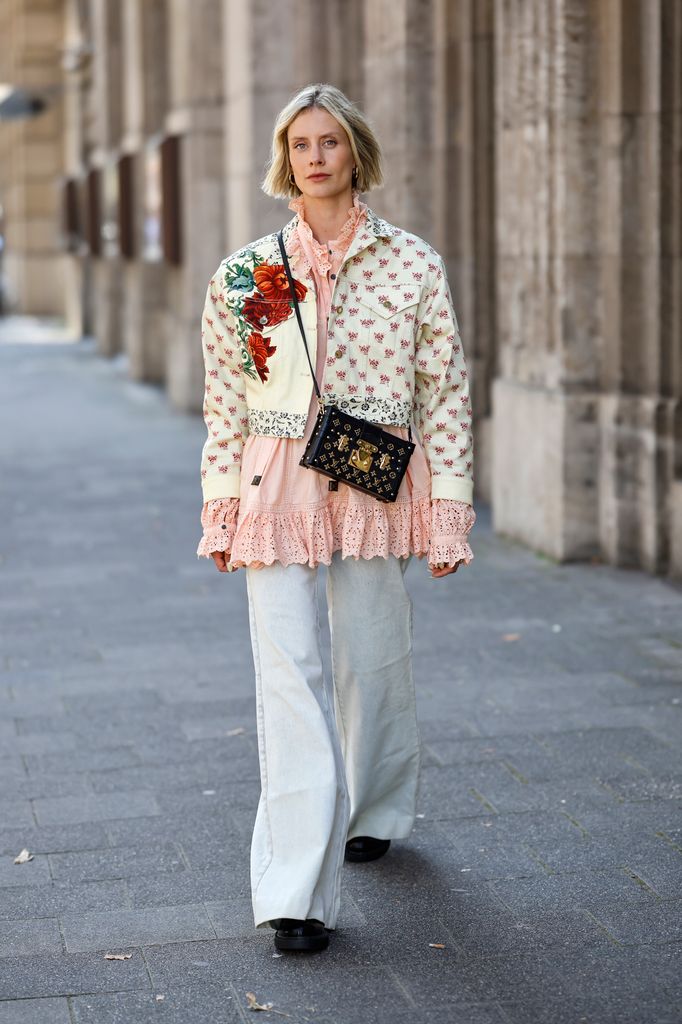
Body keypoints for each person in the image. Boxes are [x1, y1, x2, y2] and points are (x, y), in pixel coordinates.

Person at [197, 83, 475, 954]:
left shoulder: (413, 263)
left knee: (373, 655)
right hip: (275, 483)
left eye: (330, 141)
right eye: (301, 142)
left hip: (373, 476)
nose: (316, 156)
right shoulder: (248, 274)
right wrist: (221, 507)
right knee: (289, 678)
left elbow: (446, 393)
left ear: (356, 150)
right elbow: (225, 403)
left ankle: (378, 803)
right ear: (287, 157)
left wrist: (451, 508)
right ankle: (296, 894)